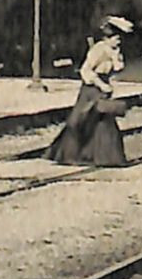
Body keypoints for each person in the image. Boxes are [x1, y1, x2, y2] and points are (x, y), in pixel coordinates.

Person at [47, 15, 134, 167]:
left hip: (103, 90)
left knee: (103, 123)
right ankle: (68, 155)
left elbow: (117, 69)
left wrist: (115, 60)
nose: (118, 41)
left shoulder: (114, 51)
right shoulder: (99, 50)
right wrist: (101, 84)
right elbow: (85, 70)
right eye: (116, 37)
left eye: (119, 38)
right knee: (81, 121)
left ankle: (106, 157)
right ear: (107, 37)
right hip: (90, 90)